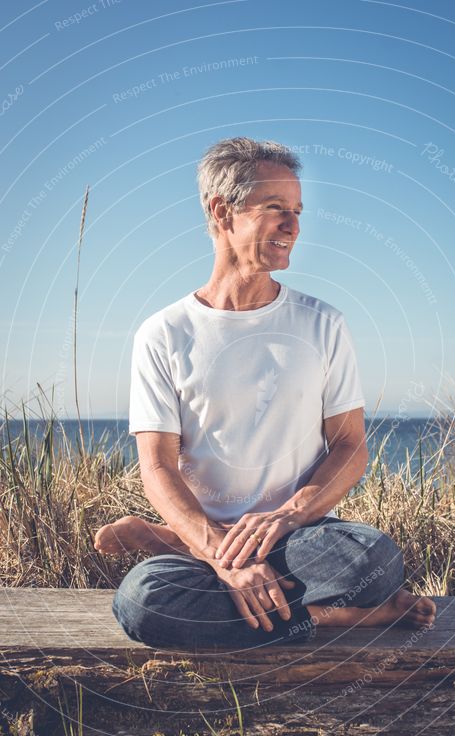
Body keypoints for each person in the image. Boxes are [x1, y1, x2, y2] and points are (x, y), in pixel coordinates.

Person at [95, 136, 436, 649]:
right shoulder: (163, 333)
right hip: (207, 533)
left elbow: (349, 447)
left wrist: (288, 514)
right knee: (142, 603)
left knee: (375, 561)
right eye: (276, 209)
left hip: (296, 540)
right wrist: (219, 554)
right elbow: (158, 466)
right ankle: (332, 616)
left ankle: (202, 562)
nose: (294, 226)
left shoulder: (323, 324)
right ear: (222, 211)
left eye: (297, 211)